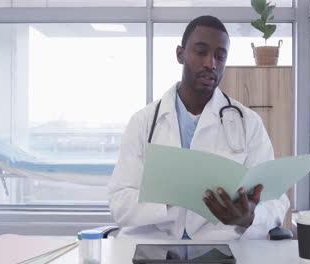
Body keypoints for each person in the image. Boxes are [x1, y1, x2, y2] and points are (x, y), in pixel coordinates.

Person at [108, 15, 289, 240]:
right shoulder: (144, 122)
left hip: (220, 245)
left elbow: (276, 200)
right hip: (153, 244)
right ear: (180, 54)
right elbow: (119, 203)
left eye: (220, 56)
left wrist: (250, 217)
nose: (210, 63)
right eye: (201, 52)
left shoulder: (248, 123)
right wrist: (169, 199)